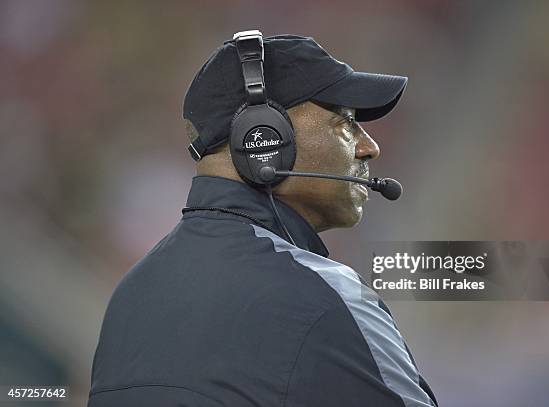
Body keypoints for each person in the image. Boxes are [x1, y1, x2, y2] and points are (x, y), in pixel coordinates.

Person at [88, 31, 437, 407]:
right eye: (346, 123)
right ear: (265, 139)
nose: (370, 147)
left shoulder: (130, 294)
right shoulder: (327, 299)